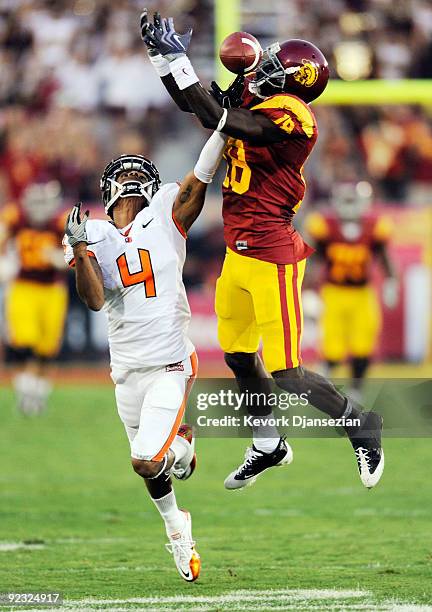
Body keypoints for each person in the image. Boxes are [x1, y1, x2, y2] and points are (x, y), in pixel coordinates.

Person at [141, 11, 385, 490]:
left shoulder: (295, 114)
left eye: (277, 63)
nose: (265, 66)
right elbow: (199, 105)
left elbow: (218, 117)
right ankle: (268, 442)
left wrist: (180, 61)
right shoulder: (260, 94)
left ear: (294, 79)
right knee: (236, 356)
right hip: (238, 251)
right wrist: (163, 61)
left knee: (288, 372)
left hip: (272, 254)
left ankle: (361, 424)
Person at [63, 133, 226, 582]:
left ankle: (176, 520)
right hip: (126, 373)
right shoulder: (92, 232)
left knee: (143, 459)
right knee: (154, 461)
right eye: (125, 171)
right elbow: (94, 300)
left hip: (170, 364)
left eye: (140, 171)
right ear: (108, 188)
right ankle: (179, 485)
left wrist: (224, 128)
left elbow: (201, 178)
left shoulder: (165, 215)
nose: (133, 176)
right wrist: (78, 248)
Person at [305, 182, 398, 403]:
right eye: (345, 201)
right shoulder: (325, 224)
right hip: (333, 292)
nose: (349, 206)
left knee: (363, 343)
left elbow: (385, 256)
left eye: (353, 201)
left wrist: (391, 281)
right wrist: (307, 290)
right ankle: (323, 388)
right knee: (331, 346)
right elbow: (313, 260)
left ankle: (356, 390)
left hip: (362, 293)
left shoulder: (374, 225)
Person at [0, 181, 67, 414]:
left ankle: (37, 393)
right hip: (23, 286)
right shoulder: (15, 216)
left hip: (52, 289)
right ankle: (25, 391)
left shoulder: (60, 222)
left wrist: (62, 257)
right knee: (23, 343)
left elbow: (76, 252)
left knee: (47, 349)